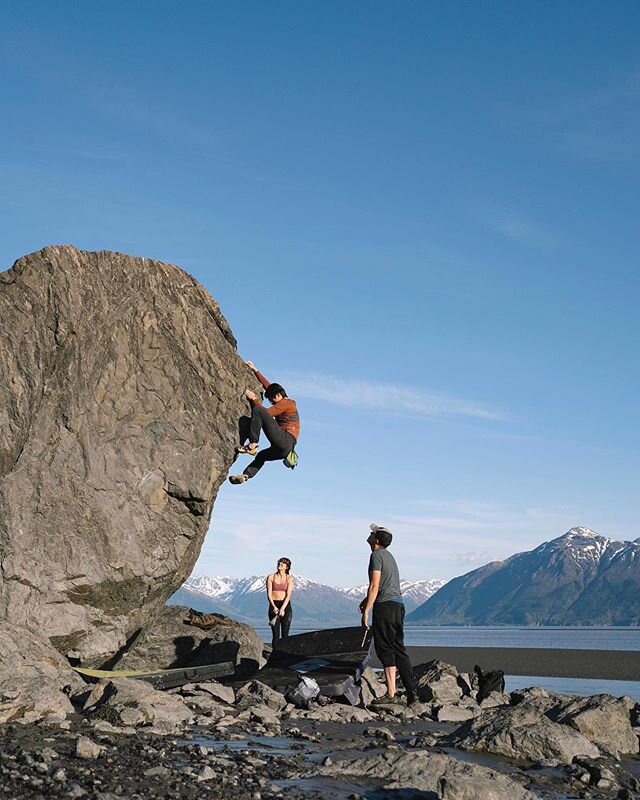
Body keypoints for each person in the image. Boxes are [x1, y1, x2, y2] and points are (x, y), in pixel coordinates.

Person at [359, 523, 418, 706]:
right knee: (399, 648)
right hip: (398, 606)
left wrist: (366, 611)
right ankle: (411, 693)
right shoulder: (389, 557)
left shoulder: (375, 555)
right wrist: (365, 601)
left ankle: (392, 693)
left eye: (371, 533)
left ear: (376, 540)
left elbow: (375, 585)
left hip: (384, 607)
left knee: (385, 649)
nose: (368, 535)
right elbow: (386, 585)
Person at [229, 361, 300, 485]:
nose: (271, 402)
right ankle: (246, 475)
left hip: (285, 439)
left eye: (272, 399)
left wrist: (254, 399)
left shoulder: (288, 403)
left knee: (258, 410)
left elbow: (266, 413)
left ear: (278, 395)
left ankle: (253, 444)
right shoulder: (282, 399)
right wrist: (255, 370)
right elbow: (269, 387)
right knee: (262, 456)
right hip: (283, 450)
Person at [266, 557, 294, 645]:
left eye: (282, 563)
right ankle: (275, 656)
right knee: (276, 635)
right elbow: (269, 594)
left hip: (285, 606)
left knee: (285, 635)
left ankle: (284, 656)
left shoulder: (289, 578)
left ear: (286, 567)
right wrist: (274, 606)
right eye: (279, 562)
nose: (280, 564)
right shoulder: (271, 577)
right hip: (274, 605)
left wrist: (282, 609)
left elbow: (288, 595)